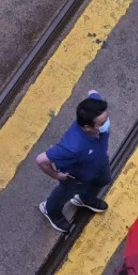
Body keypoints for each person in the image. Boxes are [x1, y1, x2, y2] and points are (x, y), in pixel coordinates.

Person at [36, 90, 112, 233]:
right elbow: (41, 160)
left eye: (107, 118)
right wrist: (57, 176)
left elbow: (93, 92)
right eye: (102, 123)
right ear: (87, 127)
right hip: (77, 176)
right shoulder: (72, 147)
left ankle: (85, 199)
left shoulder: (95, 108)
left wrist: (93, 96)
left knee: (104, 179)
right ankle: (50, 209)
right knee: (64, 194)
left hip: (99, 163)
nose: (107, 123)